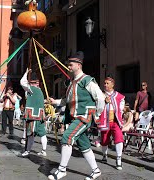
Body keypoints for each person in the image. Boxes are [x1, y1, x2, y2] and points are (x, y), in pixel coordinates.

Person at [48, 51, 105, 180]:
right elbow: (65, 101)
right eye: (68, 65)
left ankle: (62, 170)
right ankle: (96, 171)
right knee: (84, 145)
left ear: (78, 65)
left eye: (71, 64)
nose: (68, 67)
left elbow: (100, 98)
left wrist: (97, 114)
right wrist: (54, 102)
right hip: (75, 116)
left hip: (84, 116)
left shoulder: (87, 80)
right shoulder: (70, 82)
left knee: (67, 137)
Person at [98, 77, 125, 170]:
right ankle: (104, 155)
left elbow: (121, 108)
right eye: (104, 83)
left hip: (115, 122)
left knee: (119, 138)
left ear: (112, 85)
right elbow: (97, 107)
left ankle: (119, 159)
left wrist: (113, 105)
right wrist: (104, 102)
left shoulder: (119, 96)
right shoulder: (100, 95)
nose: (105, 85)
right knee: (104, 140)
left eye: (107, 83)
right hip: (105, 121)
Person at [20, 69, 48, 157]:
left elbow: (22, 82)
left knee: (30, 133)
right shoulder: (40, 91)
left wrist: (26, 72)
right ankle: (43, 150)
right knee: (42, 133)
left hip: (33, 116)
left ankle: (27, 150)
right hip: (40, 116)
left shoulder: (32, 89)